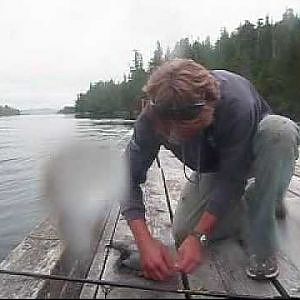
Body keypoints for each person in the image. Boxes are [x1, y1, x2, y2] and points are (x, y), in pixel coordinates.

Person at [121, 59, 300, 281]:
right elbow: (126, 179)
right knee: (184, 233)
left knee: (279, 131)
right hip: (214, 167)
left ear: (211, 104)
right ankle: (256, 198)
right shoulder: (152, 117)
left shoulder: (236, 102)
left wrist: (199, 236)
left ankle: (264, 221)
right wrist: (144, 241)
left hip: (257, 155)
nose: (174, 135)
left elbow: (232, 179)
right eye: (167, 130)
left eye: (186, 128)